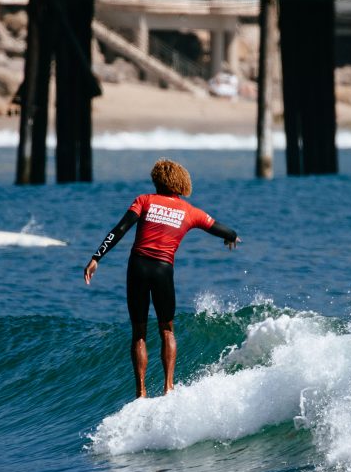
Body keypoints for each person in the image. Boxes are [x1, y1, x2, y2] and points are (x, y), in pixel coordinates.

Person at [84, 159, 239, 399]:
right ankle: (168, 387)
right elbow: (223, 229)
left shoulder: (144, 201)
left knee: (139, 332)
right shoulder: (190, 212)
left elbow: (120, 229)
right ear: (181, 183)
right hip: (162, 270)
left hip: (137, 267)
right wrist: (232, 237)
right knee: (167, 329)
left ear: (156, 180)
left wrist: (97, 257)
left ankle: (141, 392)